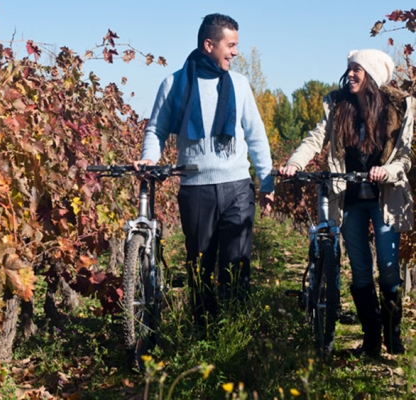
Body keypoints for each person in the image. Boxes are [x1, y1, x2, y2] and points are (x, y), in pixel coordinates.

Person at [134, 13, 275, 325]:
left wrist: (267, 182)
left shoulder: (239, 85)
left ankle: (233, 332)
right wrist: (149, 158)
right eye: (231, 45)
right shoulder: (174, 83)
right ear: (209, 44)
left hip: (237, 186)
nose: (236, 52)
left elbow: (256, 136)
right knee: (200, 266)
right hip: (195, 189)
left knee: (236, 264)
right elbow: (156, 130)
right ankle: (203, 333)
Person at [279, 49, 414, 356]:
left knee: (390, 269)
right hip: (350, 196)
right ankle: (370, 341)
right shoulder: (338, 104)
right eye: (349, 68)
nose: (350, 74)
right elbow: (316, 138)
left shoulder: (400, 107)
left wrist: (387, 170)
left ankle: (392, 336)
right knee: (361, 269)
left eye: (357, 69)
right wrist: (295, 162)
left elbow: (404, 157)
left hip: (385, 196)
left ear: (373, 75)